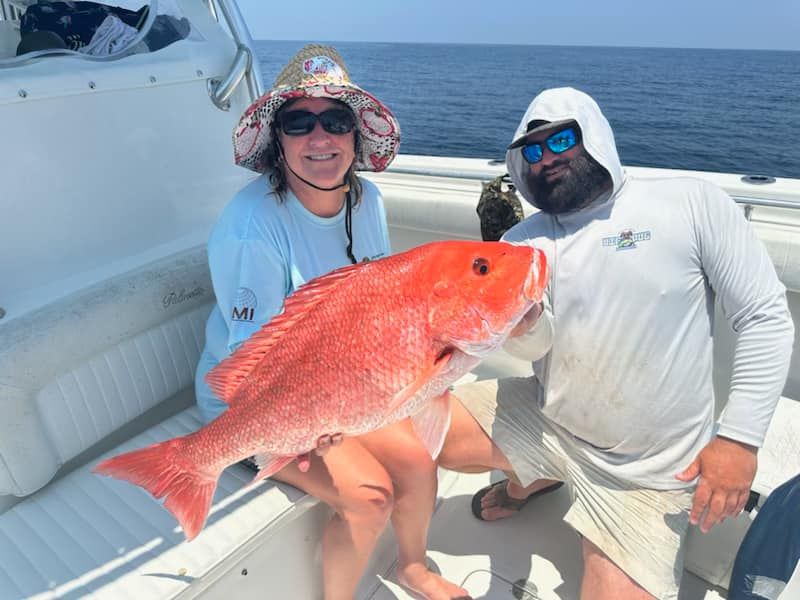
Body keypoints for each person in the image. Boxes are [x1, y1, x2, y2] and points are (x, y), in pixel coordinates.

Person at [436, 87, 795, 600]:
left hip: (649, 474)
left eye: (562, 139)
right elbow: (535, 348)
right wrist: (525, 324)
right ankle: (539, 475)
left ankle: (541, 481)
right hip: (549, 424)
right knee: (417, 436)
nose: (547, 157)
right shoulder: (519, 245)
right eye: (533, 150)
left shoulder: (692, 202)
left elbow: (765, 317)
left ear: (596, 135)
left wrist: (739, 440)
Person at [194, 45, 469, 600]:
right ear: (277, 140)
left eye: (336, 120)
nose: (319, 137)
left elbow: (382, 306)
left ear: (355, 134)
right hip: (256, 406)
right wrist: (313, 417)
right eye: (299, 122)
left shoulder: (368, 201)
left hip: (341, 383)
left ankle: (413, 566)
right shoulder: (252, 226)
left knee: (419, 463)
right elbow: (248, 368)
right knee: (370, 496)